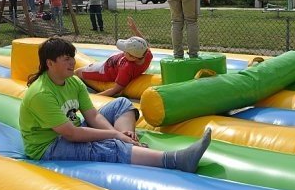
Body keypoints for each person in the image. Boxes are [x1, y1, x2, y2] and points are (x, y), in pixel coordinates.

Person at [19, 37, 212, 173]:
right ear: (50, 63)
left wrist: (118, 135)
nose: (72, 62)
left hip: (72, 130)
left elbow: (92, 116)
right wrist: (113, 135)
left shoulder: (73, 82)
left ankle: (127, 140)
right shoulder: (41, 93)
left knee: (122, 103)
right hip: (48, 146)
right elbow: (71, 134)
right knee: (108, 147)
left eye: (72, 57)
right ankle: (174, 160)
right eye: (66, 59)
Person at [75, 16, 152, 97]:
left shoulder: (126, 68)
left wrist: (93, 98)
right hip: (114, 61)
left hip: (105, 70)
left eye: (125, 51)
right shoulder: (147, 54)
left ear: (133, 58)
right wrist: (135, 30)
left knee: (77, 72)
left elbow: (115, 90)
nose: (123, 52)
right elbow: (145, 44)